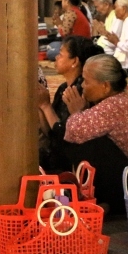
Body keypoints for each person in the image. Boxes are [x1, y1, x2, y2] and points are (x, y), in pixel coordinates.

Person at [45, 54, 128, 208]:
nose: (83, 86)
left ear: (105, 86)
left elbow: (71, 133)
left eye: (86, 81)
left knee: (86, 143)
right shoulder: (116, 101)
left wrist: (76, 112)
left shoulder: (114, 106)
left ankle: (109, 202)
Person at [38, 35, 101, 172]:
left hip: (70, 159)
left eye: (61, 54)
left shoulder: (79, 91)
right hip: (57, 149)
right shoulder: (63, 88)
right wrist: (39, 104)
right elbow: (50, 131)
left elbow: (64, 136)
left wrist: (46, 106)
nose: (56, 57)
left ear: (74, 61)